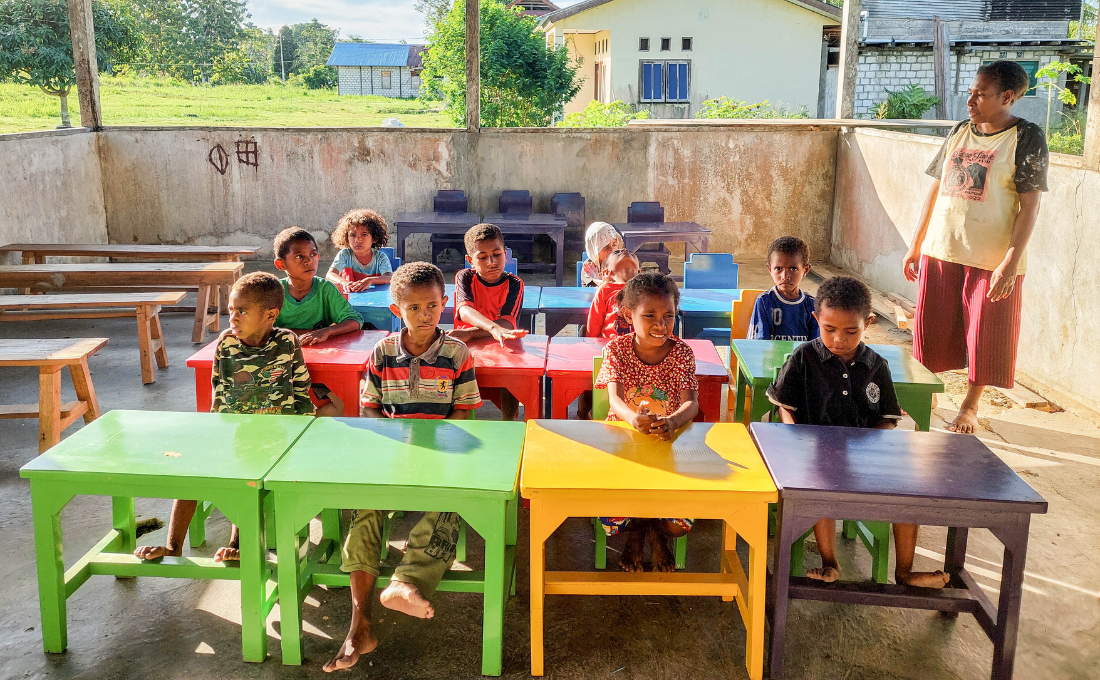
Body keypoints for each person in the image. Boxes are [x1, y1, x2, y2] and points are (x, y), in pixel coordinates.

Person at [324, 262, 482, 673]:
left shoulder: (456, 353)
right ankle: (359, 623)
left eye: (432, 305)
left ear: (445, 305)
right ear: (398, 311)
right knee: (366, 509)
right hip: (394, 455)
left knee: (449, 503)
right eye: (414, 308)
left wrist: (443, 451)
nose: (425, 314)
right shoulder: (382, 352)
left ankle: (406, 582)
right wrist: (390, 449)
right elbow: (370, 408)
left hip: (443, 456)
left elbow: (464, 411)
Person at [767, 276, 949, 588]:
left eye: (851, 331)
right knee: (818, 484)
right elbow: (784, 405)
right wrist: (793, 435)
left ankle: (904, 571)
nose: (839, 339)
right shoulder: (804, 358)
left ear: (869, 323)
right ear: (817, 320)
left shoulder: (876, 364)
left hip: (865, 460)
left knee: (908, 491)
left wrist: (869, 445)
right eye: (829, 329)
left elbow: (888, 417)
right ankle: (829, 561)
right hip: (814, 456)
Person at [902, 60, 1048, 434]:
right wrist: (916, 244)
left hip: (991, 257)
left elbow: (1029, 205)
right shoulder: (959, 131)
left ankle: (969, 406)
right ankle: (926, 393)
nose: (971, 100)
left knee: (984, 335)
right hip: (942, 248)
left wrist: (1010, 262)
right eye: (971, 92)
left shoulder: (1026, 137)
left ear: (1007, 97)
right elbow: (934, 190)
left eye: (980, 94)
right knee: (929, 330)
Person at [134, 272, 313, 564]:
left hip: (278, 437)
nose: (233, 317)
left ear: (270, 314)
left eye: (242, 311)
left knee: (247, 474)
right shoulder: (226, 343)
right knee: (191, 471)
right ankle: (173, 546)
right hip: (234, 433)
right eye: (231, 310)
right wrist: (213, 438)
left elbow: (301, 391)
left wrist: (303, 438)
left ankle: (238, 544)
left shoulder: (287, 342)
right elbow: (219, 391)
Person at [594, 273, 699, 573]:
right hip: (623, 448)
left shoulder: (681, 353)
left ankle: (650, 529)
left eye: (668, 316)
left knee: (680, 524)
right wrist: (633, 419)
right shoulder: (616, 350)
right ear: (629, 314)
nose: (660, 324)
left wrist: (672, 422)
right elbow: (614, 401)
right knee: (611, 521)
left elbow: (691, 404)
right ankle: (644, 530)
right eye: (649, 315)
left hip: (670, 449)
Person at [274, 226, 366, 416]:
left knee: (344, 405)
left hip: (319, 370)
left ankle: (307, 424)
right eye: (299, 256)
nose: (309, 261)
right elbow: (261, 328)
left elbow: (355, 320)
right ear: (281, 265)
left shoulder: (325, 289)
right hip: (281, 369)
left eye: (313, 254)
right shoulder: (274, 292)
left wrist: (327, 331)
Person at [449, 223, 528, 420]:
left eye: (497, 254)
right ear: (470, 261)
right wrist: (493, 327)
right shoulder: (464, 277)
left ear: (506, 253)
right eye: (482, 257)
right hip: (466, 349)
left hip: (500, 346)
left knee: (511, 372)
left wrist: (471, 332)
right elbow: (465, 310)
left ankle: (508, 422)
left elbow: (508, 324)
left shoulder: (514, 283)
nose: (491, 262)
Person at [749, 236, 819, 341]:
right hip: (770, 357)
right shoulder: (764, 302)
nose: (785, 276)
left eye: (793, 269)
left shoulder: (812, 304)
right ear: (770, 269)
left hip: (802, 358)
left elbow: (816, 345)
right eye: (778, 269)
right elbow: (758, 344)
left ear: (805, 270)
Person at [325, 208, 393, 293]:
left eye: (364, 234)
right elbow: (330, 275)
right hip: (350, 300)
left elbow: (389, 278)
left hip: (375, 300)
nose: (358, 240)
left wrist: (370, 280)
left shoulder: (380, 258)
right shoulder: (345, 255)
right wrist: (343, 282)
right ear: (346, 238)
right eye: (352, 235)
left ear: (375, 238)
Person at [585, 248, 640, 339]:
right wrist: (591, 343)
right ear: (607, 273)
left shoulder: (645, 289)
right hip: (610, 346)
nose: (624, 249)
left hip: (638, 348)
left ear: (639, 272)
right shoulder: (605, 290)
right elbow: (594, 322)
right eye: (617, 252)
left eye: (630, 252)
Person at [580, 221, 625, 287]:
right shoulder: (589, 267)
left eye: (614, 244)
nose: (611, 250)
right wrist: (596, 279)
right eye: (605, 246)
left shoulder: (619, 264)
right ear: (594, 249)